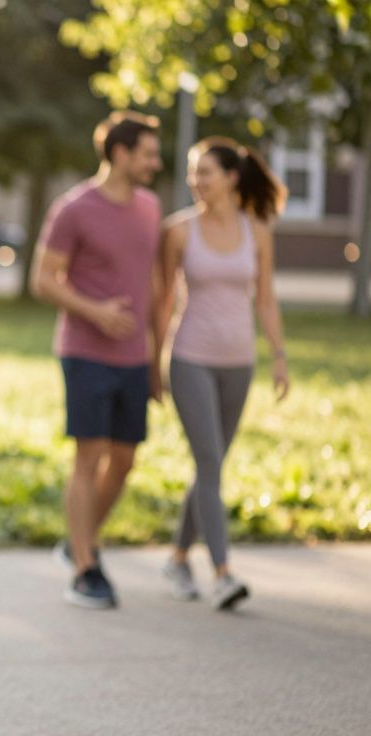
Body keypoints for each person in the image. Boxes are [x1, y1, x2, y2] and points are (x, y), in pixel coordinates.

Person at [30, 111, 164, 610]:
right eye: (147, 153)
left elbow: (150, 283)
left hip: (134, 356)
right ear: (121, 153)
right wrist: (96, 313)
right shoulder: (74, 209)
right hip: (85, 352)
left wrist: (156, 356)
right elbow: (43, 280)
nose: (155, 162)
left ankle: (76, 539)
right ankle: (85, 566)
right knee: (89, 456)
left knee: (125, 459)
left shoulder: (151, 207)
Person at [155, 136, 289, 610]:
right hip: (190, 357)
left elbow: (266, 298)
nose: (196, 181)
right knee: (210, 462)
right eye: (192, 172)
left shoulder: (259, 231)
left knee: (210, 466)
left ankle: (175, 557)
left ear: (231, 177)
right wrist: (156, 362)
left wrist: (279, 355)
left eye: (204, 172)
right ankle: (223, 572)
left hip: (240, 363)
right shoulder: (178, 230)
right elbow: (163, 300)